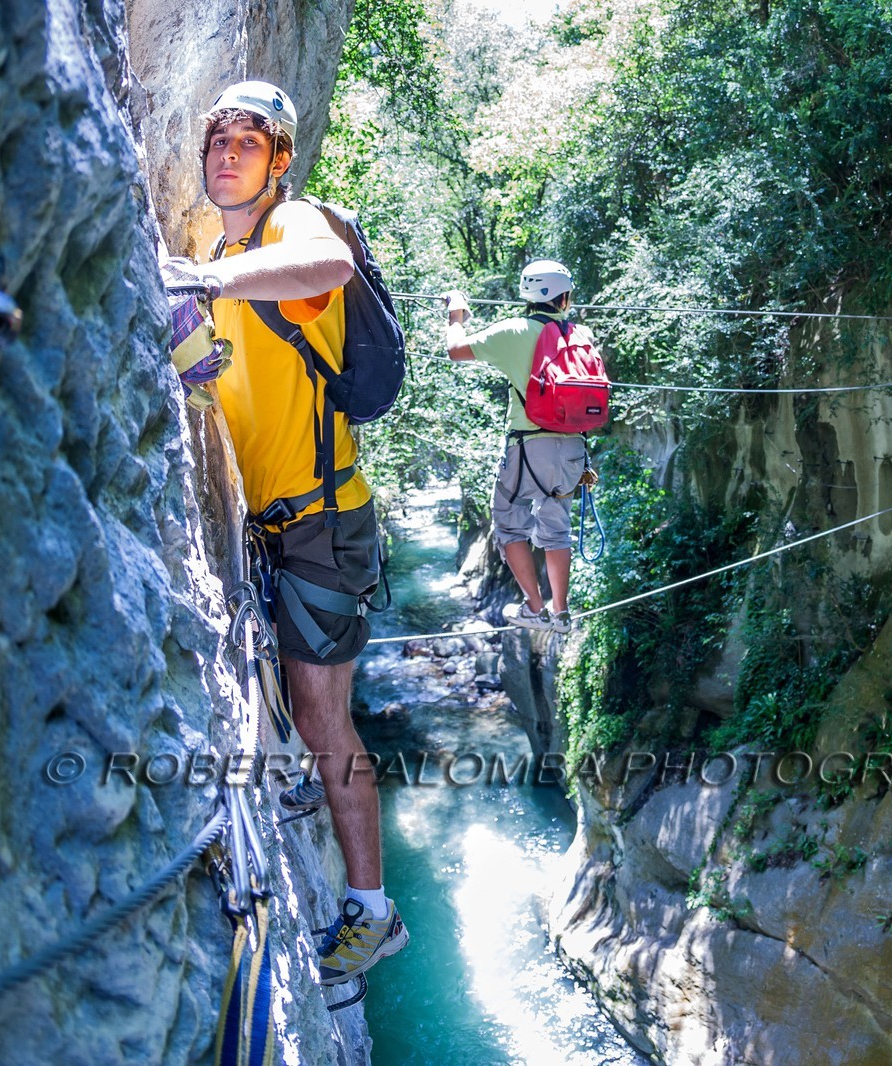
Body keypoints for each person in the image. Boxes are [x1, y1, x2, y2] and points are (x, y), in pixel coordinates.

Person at [169, 80, 406, 986]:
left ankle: (373, 914)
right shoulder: (223, 253)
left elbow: (328, 269)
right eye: (217, 143)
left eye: (249, 144)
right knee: (307, 708)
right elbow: (230, 387)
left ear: (279, 161)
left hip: (323, 523)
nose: (227, 157)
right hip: (274, 527)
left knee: (323, 716)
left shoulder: (290, 231)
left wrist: (208, 277)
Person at [442, 261, 594, 635]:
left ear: (528, 294)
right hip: (574, 448)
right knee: (556, 529)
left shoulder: (514, 330)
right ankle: (561, 613)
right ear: (564, 296)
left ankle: (534, 607)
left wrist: (456, 314)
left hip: (528, 447)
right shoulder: (582, 334)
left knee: (510, 525)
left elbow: (456, 350)